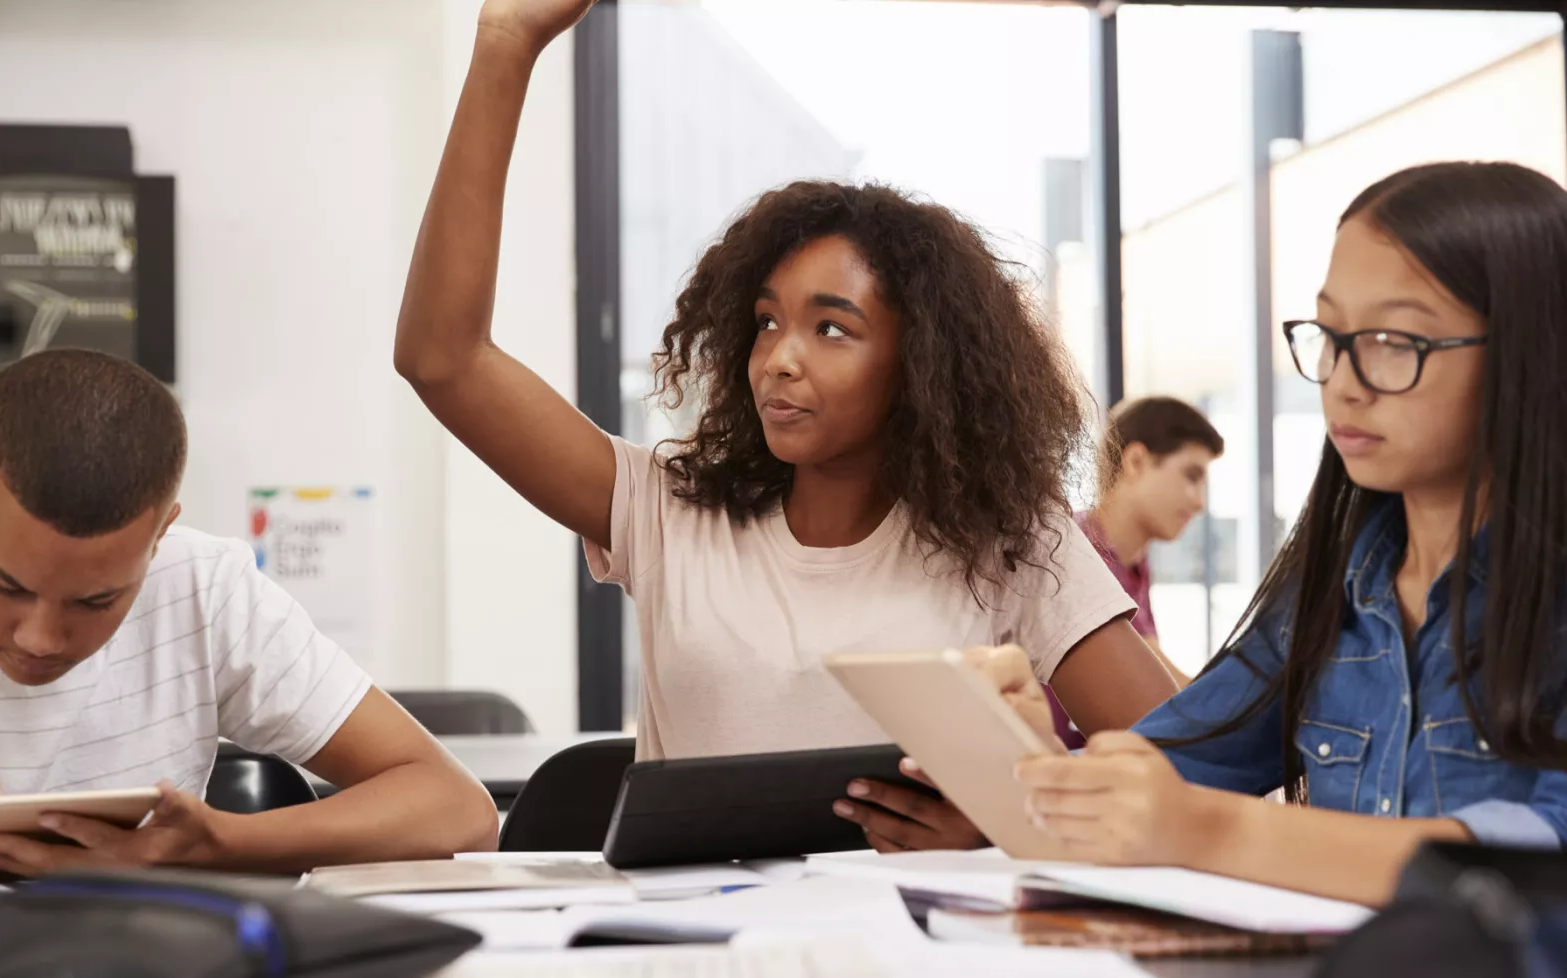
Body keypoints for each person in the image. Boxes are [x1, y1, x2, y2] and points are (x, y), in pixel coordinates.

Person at [395, 0, 1178, 853]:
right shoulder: (668, 512)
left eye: (831, 328)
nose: (780, 358)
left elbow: (1188, 772)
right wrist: (506, 44)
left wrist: (1008, 820)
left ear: (920, 365)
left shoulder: (1013, 540)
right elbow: (444, 360)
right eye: (767, 323)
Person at [873, 161, 1567, 905]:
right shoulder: (1326, 596)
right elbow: (1168, 772)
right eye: (1331, 333)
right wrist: (1025, 764)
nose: (1344, 378)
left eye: (1395, 339)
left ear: (1532, 350)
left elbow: (1539, 863)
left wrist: (1212, 830)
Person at [0, 349, 497, 876]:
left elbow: (460, 813)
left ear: (160, 535)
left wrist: (218, 843)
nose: (42, 638)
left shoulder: (201, 587)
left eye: (96, 600)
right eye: (6, 585)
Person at [1045, 397, 1224, 747]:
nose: (1200, 502)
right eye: (1191, 476)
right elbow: (1166, 703)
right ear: (1136, 461)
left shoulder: (1135, 565)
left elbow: (1160, 672)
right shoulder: (1078, 551)